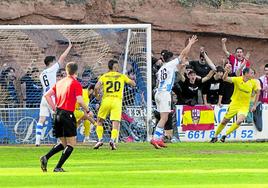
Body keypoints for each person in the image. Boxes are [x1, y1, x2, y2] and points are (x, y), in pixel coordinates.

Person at [40, 62, 91, 172]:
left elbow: (47, 95)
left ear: (67, 71)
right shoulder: (75, 83)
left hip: (57, 114)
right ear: (76, 72)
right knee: (71, 144)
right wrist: (88, 110)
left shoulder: (59, 83)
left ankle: (46, 157)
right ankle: (58, 167)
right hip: (68, 114)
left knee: (63, 143)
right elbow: (80, 100)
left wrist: (54, 108)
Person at [150, 35, 198, 149]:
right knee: (164, 118)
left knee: (163, 117)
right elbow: (183, 55)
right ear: (170, 59)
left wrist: (183, 66)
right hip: (164, 93)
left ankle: (159, 139)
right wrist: (190, 44)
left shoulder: (163, 68)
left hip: (158, 92)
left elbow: (179, 68)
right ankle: (155, 139)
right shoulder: (170, 65)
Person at [35, 39, 72, 146]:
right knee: (57, 118)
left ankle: (37, 141)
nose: (56, 63)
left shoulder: (41, 74)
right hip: (51, 97)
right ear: (51, 63)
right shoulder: (52, 69)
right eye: (54, 61)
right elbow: (62, 58)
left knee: (41, 119)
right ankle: (59, 140)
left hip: (44, 97)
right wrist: (69, 47)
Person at [93, 59, 136, 150]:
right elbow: (133, 84)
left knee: (99, 121)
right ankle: (112, 140)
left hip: (106, 100)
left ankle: (100, 139)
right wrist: (128, 79)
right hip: (117, 101)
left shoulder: (104, 76)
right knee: (115, 123)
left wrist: (97, 96)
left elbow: (96, 87)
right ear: (115, 67)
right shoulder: (121, 76)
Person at [210, 65, 260, 143]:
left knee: (239, 121)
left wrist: (254, 105)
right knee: (224, 121)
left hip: (244, 106)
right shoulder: (237, 79)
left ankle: (224, 136)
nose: (253, 75)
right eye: (251, 73)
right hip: (234, 104)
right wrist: (226, 71)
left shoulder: (254, 82)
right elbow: (224, 78)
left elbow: (258, 93)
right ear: (246, 74)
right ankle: (215, 136)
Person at [74, 69, 97, 143]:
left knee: (83, 121)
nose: (94, 93)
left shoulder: (86, 94)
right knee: (87, 118)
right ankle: (72, 137)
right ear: (91, 90)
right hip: (74, 111)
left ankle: (86, 138)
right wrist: (95, 123)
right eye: (93, 91)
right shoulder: (84, 94)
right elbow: (85, 112)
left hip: (76, 111)